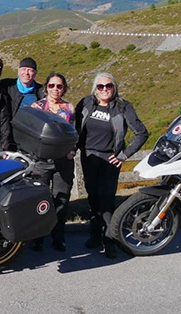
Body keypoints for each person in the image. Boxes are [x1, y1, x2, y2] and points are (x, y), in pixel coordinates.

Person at [75, 72, 148, 258]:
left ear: (114, 87)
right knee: (93, 198)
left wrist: (124, 155)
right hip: (89, 157)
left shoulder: (123, 107)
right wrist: (72, 149)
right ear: (95, 89)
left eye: (109, 86)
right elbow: (75, 129)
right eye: (100, 86)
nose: (105, 89)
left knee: (107, 201)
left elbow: (141, 133)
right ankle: (94, 235)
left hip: (110, 160)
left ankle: (110, 240)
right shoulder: (86, 103)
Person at [30, 73, 76, 252]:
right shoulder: (37, 107)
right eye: (52, 86)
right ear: (46, 87)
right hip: (41, 161)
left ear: (64, 88)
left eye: (59, 86)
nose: (55, 89)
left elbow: (74, 132)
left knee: (61, 199)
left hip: (63, 160)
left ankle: (59, 236)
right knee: (40, 200)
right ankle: (38, 236)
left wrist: (72, 151)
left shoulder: (69, 108)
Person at [1, 57, 45, 149]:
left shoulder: (41, 92)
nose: (26, 73)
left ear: (35, 73)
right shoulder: (6, 86)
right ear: (18, 71)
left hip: (30, 140)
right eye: (23, 69)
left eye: (30, 70)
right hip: (9, 139)